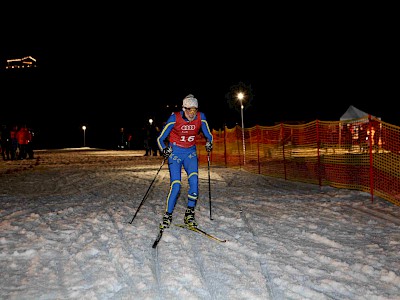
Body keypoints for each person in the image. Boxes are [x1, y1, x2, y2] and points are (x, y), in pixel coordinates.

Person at [156, 94, 213, 229]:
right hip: (175, 154)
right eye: (189, 110)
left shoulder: (201, 117)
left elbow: (208, 134)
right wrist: (164, 149)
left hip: (190, 154)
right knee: (176, 185)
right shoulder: (174, 117)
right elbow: (160, 138)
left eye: (195, 110)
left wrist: (209, 142)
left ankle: (189, 214)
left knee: (194, 182)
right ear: (183, 108)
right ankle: (168, 215)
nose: (192, 114)